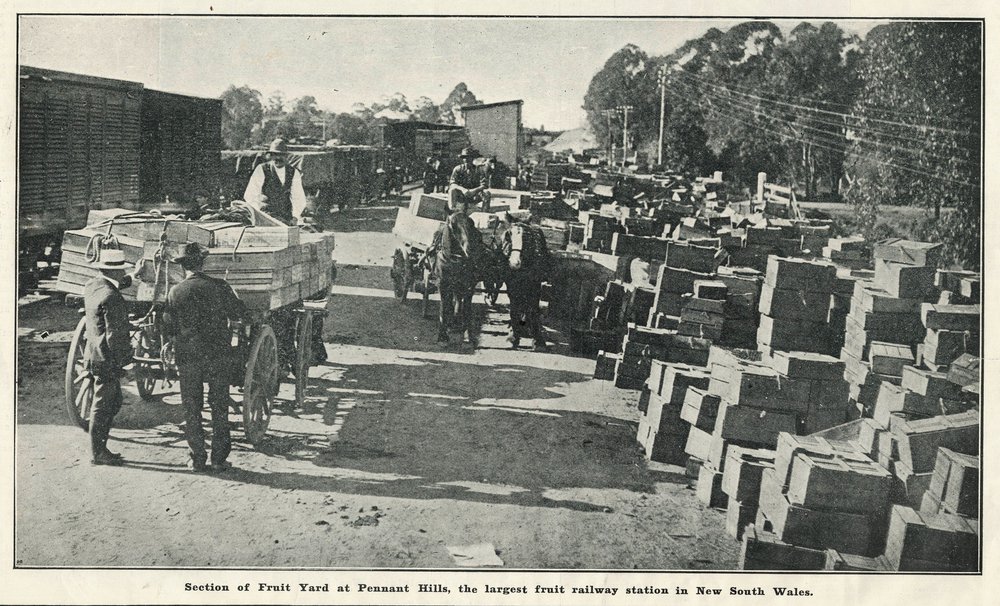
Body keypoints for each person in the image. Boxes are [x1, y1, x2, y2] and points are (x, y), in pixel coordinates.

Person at [163, 243, 249, 473]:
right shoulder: (220, 287)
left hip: (188, 358)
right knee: (219, 406)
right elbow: (239, 314)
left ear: (182, 267)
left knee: (191, 408)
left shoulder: (175, 292)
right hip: (218, 356)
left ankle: (197, 459)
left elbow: (168, 328)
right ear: (202, 263)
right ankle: (219, 459)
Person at [83, 248, 141, 465]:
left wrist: (133, 276)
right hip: (107, 360)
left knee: (112, 401)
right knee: (104, 404)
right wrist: (128, 364)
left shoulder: (92, 286)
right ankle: (98, 453)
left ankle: (101, 449)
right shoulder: (113, 298)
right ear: (116, 271)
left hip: (94, 354)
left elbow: (115, 284)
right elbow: (116, 338)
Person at [430, 191, 484, 346]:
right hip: (447, 264)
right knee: (445, 299)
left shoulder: (469, 223)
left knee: (467, 299)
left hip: (466, 263)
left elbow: (473, 239)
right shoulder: (446, 225)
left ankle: (467, 333)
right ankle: (442, 332)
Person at [501, 214, 550, 351]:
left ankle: (516, 337)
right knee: (531, 306)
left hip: (522, 274)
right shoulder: (536, 233)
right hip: (529, 273)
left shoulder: (512, 231)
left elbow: (505, 252)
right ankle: (537, 340)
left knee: (518, 306)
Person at [243, 138, 308, 224]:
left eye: (281, 155)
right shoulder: (262, 169)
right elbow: (250, 196)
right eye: (274, 154)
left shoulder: (293, 172)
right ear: (270, 156)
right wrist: (260, 214)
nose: (277, 158)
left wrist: (295, 217)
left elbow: (299, 198)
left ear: (286, 156)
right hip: (266, 217)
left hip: (286, 218)